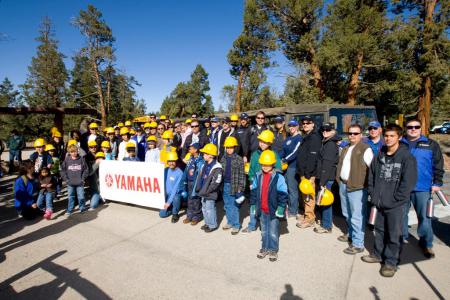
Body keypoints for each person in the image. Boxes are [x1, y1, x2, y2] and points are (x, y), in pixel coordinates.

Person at [363, 124, 417, 277]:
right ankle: (377, 254)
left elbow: (409, 182)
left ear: (399, 137)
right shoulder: (380, 154)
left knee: (394, 234)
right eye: (386, 136)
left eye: (392, 136)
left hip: (395, 204)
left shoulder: (406, 157)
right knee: (379, 231)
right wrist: (373, 194)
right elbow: (372, 174)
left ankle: (391, 262)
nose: (388, 138)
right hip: (379, 202)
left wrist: (396, 199)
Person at [402, 119, 444, 258]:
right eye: (410, 127)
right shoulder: (400, 143)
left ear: (421, 128)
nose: (413, 129)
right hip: (402, 187)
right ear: (405, 128)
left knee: (425, 218)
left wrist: (437, 183)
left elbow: (438, 165)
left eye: (416, 127)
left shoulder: (431, 144)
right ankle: (401, 240)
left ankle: (427, 244)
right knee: (400, 216)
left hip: (423, 187)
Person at [336, 124, 374, 254]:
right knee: (347, 214)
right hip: (344, 184)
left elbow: (372, 170)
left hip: (357, 187)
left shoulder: (365, 149)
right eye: (350, 133)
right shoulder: (346, 148)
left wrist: (370, 187)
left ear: (361, 135)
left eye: (355, 133)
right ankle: (351, 234)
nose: (352, 135)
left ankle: (358, 244)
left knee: (357, 216)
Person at [250, 150, 288, 262]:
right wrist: (253, 204)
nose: (265, 167)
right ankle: (265, 248)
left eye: (268, 164)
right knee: (264, 230)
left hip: (273, 210)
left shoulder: (279, 177)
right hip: (262, 209)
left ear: (273, 164)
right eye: (263, 164)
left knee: (273, 231)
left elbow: (283, 193)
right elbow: (254, 191)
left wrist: (281, 207)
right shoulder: (258, 176)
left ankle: (273, 249)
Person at [243, 130, 282, 233]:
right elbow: (251, 169)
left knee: (267, 204)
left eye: (265, 142)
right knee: (253, 204)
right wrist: (251, 181)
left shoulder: (274, 154)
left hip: (267, 185)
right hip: (256, 184)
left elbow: (278, 169)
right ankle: (252, 225)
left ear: (270, 143)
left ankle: (268, 225)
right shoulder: (255, 154)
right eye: (260, 141)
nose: (262, 143)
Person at [295, 116, 322, 229]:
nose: (305, 124)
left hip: (309, 174)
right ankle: (306, 214)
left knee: (308, 196)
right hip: (303, 173)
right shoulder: (307, 136)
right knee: (304, 195)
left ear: (313, 124)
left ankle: (310, 218)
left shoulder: (314, 137)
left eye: (308, 123)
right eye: (303, 123)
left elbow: (312, 157)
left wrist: (308, 174)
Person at [314, 122, 339, 233]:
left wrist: (322, 182)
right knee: (324, 200)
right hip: (325, 177)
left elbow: (327, 165)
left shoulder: (330, 145)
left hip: (327, 178)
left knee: (326, 201)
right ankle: (325, 223)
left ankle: (327, 226)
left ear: (333, 131)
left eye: (328, 130)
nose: (325, 132)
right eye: (323, 130)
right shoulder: (327, 142)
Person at [220, 136, 246, 235]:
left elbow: (242, 175)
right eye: (227, 147)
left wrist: (240, 188)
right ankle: (230, 222)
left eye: (231, 147)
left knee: (234, 206)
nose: (229, 149)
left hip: (234, 185)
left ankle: (236, 225)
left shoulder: (239, 159)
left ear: (235, 147)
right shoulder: (223, 158)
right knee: (227, 205)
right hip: (225, 185)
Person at [196, 143, 223, 233]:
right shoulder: (205, 164)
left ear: (211, 155)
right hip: (203, 191)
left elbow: (216, 182)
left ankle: (212, 225)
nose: (203, 155)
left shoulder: (217, 168)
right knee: (204, 208)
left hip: (210, 193)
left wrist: (207, 190)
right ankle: (207, 222)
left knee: (210, 208)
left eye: (205, 153)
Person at [281, 119, 302, 218]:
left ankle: (293, 210)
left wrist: (284, 160)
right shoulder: (288, 138)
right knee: (286, 187)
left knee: (292, 188)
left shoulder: (299, 138)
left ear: (297, 126)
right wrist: (278, 158)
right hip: (285, 166)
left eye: (293, 126)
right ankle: (289, 207)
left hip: (293, 166)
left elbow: (295, 152)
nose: (291, 128)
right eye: (290, 126)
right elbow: (283, 150)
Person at [61, 144, 89, 215]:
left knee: (81, 196)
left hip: (80, 183)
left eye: (75, 151)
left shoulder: (81, 159)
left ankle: (82, 208)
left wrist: (83, 179)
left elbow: (86, 170)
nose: (74, 153)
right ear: (69, 152)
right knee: (71, 197)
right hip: (70, 183)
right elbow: (62, 170)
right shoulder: (67, 160)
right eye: (72, 152)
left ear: (77, 151)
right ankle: (70, 209)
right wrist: (66, 180)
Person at [181, 143, 205, 225]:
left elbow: (200, 174)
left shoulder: (200, 161)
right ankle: (189, 215)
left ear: (196, 150)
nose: (189, 150)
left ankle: (196, 216)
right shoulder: (190, 159)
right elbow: (186, 170)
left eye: (191, 148)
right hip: (189, 182)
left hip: (196, 183)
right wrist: (184, 179)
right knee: (189, 199)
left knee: (196, 200)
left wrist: (198, 184)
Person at [159, 152, 184, 222]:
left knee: (176, 197)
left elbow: (175, 189)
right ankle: (172, 208)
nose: (171, 163)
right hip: (167, 196)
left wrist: (169, 202)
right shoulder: (166, 170)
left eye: (173, 161)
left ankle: (175, 213)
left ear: (176, 161)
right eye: (169, 161)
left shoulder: (180, 173)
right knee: (162, 214)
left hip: (175, 195)